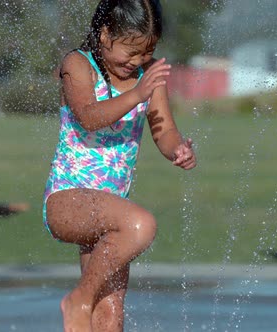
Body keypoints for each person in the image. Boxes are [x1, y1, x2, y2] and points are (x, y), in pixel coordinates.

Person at [42, 0, 196, 331]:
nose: (137, 62)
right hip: (68, 198)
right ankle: (78, 300)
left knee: (109, 317)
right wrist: (137, 94)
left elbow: (163, 129)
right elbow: (88, 117)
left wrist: (177, 149)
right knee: (141, 225)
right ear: (105, 33)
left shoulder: (147, 77)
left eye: (146, 52)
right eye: (130, 52)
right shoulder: (78, 65)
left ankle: (84, 306)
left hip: (111, 213)